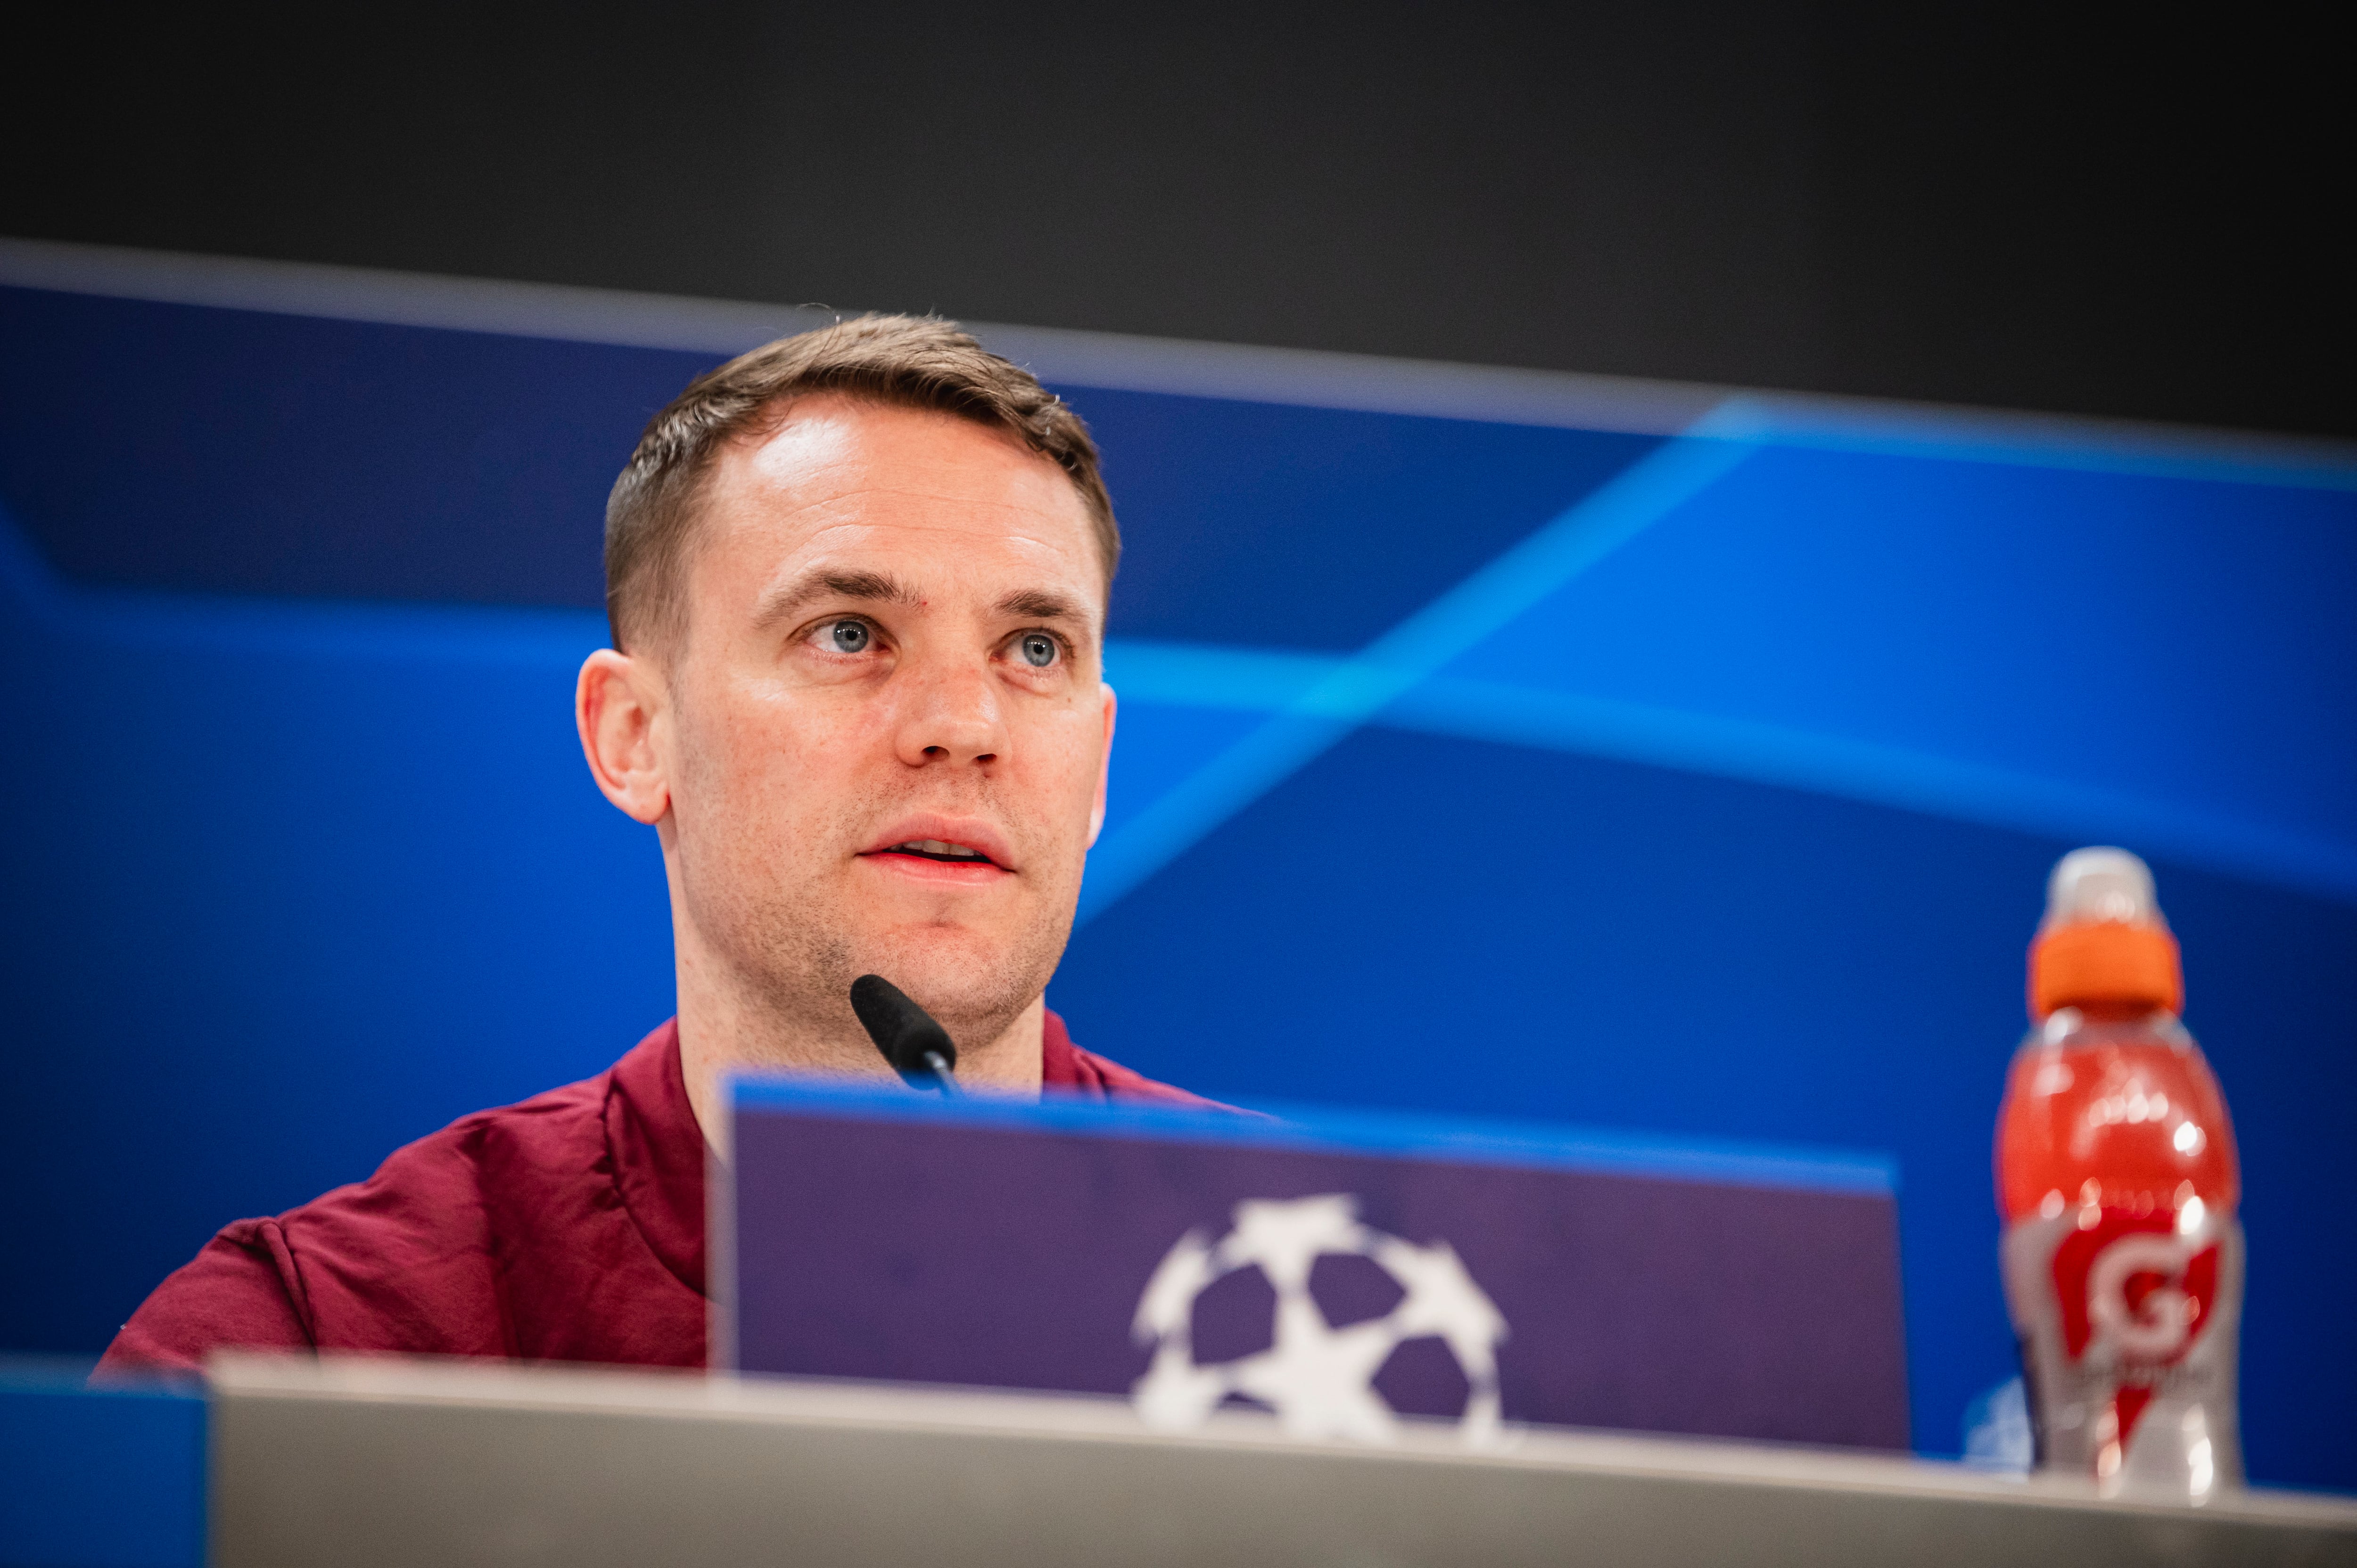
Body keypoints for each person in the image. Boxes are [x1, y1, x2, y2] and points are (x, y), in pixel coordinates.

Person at [99, 316, 1217, 1375]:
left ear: (1098, 765)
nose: (964, 726)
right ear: (635, 735)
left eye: (1032, 647)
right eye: (849, 633)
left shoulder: (1337, 1287)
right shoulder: (307, 1349)